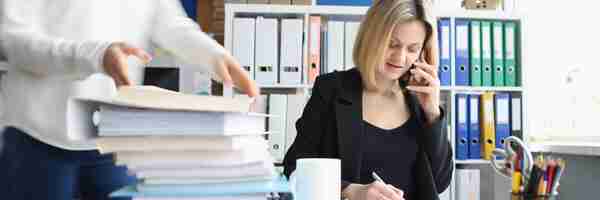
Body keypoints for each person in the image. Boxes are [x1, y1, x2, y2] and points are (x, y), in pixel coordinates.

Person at [0, 0, 258, 199]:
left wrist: (215, 57)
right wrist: (96, 56)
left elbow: (169, 22)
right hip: (36, 137)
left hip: (113, 140)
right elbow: (14, 41)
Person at [283, 0, 453, 200]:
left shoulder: (419, 101)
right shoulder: (332, 90)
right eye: (392, 44)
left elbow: (440, 182)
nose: (400, 58)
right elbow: (294, 168)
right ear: (371, 37)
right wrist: (350, 190)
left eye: (412, 49)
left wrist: (432, 114)